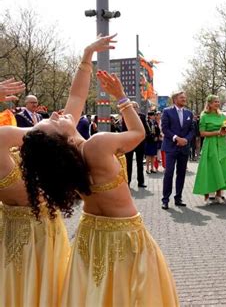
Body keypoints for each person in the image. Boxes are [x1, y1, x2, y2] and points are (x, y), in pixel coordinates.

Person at [18, 36, 179, 304]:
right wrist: (121, 97)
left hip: (89, 237)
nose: (57, 115)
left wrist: (86, 57)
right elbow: (138, 133)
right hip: (124, 237)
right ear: (61, 139)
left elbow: (76, 96)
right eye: (53, 122)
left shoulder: (66, 161)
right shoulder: (97, 145)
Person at [0, 71, 72, 306]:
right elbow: (77, 99)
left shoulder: (9, 148)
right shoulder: (43, 160)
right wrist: (84, 60)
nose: (53, 113)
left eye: (53, 119)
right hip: (42, 231)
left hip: (20, 231)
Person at [193, 95, 226, 204]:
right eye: (215, 102)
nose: (217, 103)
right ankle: (207, 194)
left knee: (223, 168)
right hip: (210, 145)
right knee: (210, 168)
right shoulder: (204, 116)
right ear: (209, 104)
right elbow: (202, 133)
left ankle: (219, 194)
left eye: (218, 101)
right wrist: (217, 132)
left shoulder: (222, 116)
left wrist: (225, 131)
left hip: (222, 144)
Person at [160, 91, 195, 210]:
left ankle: (178, 198)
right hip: (171, 147)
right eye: (181, 98)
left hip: (184, 148)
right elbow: (164, 128)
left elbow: (192, 130)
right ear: (175, 99)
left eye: (185, 97)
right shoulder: (167, 111)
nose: (184, 99)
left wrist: (186, 139)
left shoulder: (189, 113)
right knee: (169, 173)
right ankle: (165, 199)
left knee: (181, 174)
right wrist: (176, 138)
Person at [122, 102, 149, 188]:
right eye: (132, 107)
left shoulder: (142, 117)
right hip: (129, 143)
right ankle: (127, 182)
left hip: (140, 143)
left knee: (140, 163)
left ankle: (140, 182)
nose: (134, 109)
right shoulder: (125, 116)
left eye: (136, 107)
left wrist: (146, 136)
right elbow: (124, 130)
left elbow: (146, 129)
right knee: (128, 163)